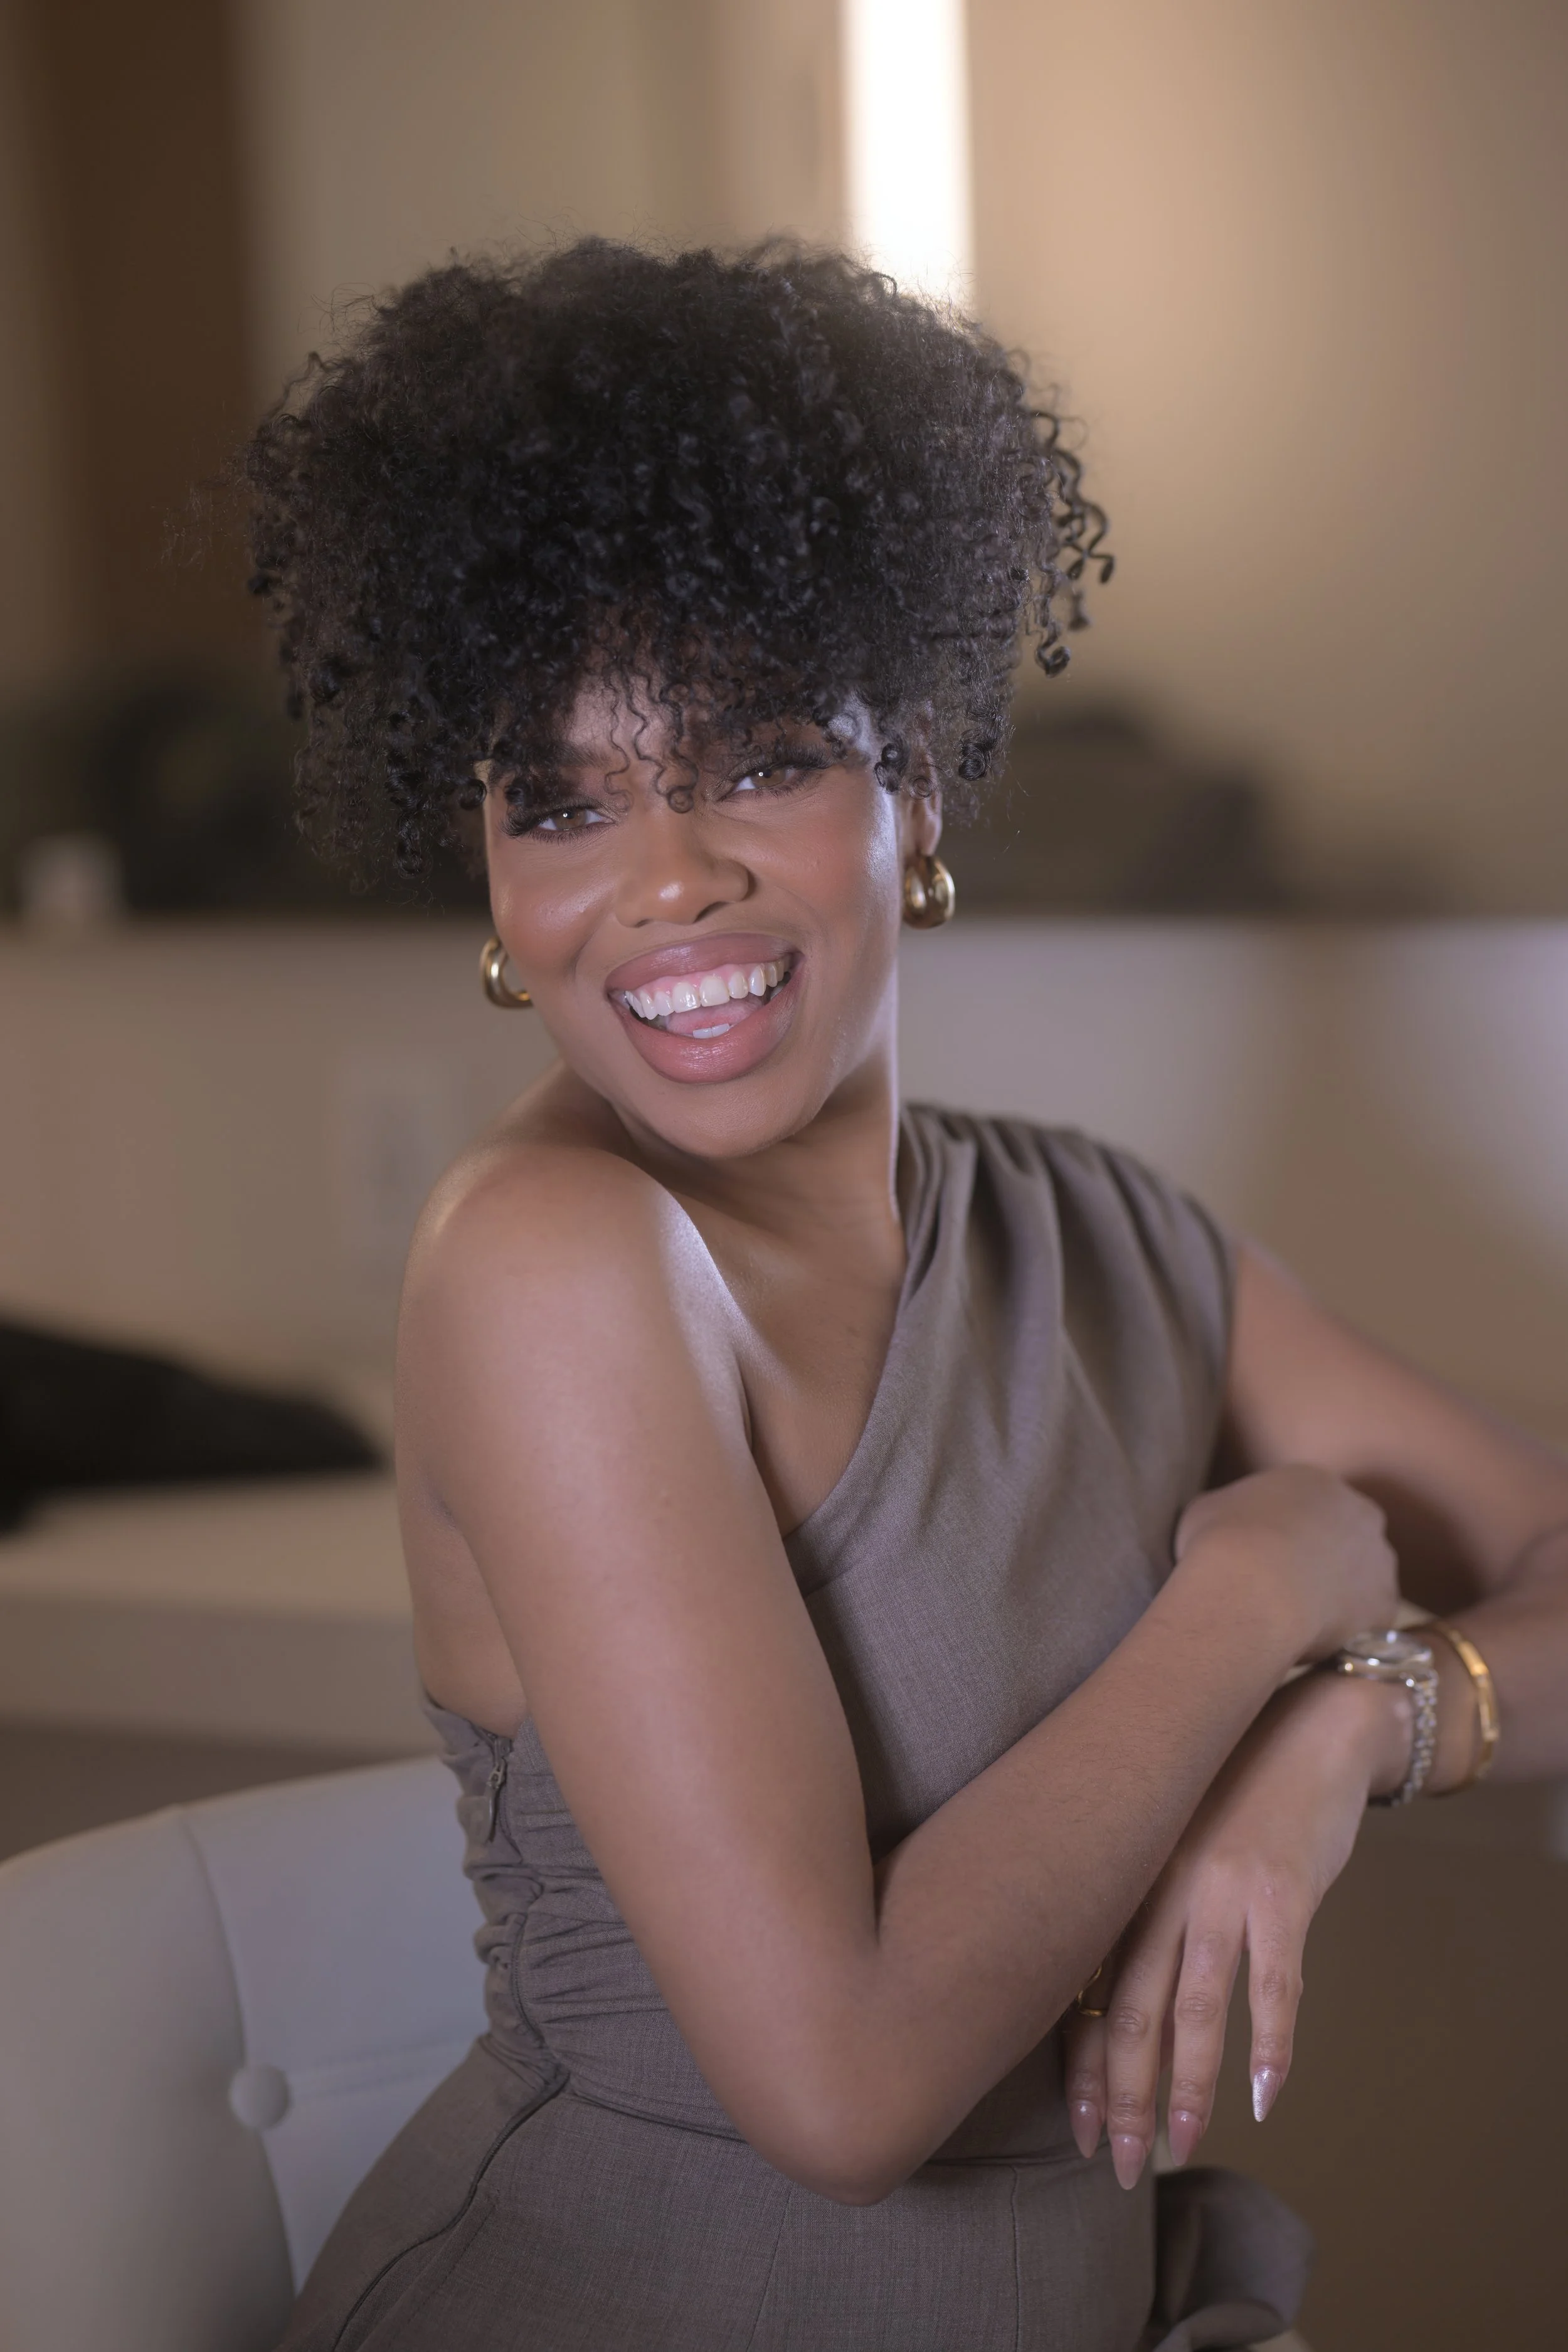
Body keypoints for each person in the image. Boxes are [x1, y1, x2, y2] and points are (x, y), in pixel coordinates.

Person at [246, 243, 1568, 2352]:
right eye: (564, 800)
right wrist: (1247, 1600)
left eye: (757, 756)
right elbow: (843, 2083)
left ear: (921, 782)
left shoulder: (1103, 1241)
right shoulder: (555, 1260)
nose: (665, 879)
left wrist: (1336, 1733)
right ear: (490, 878)